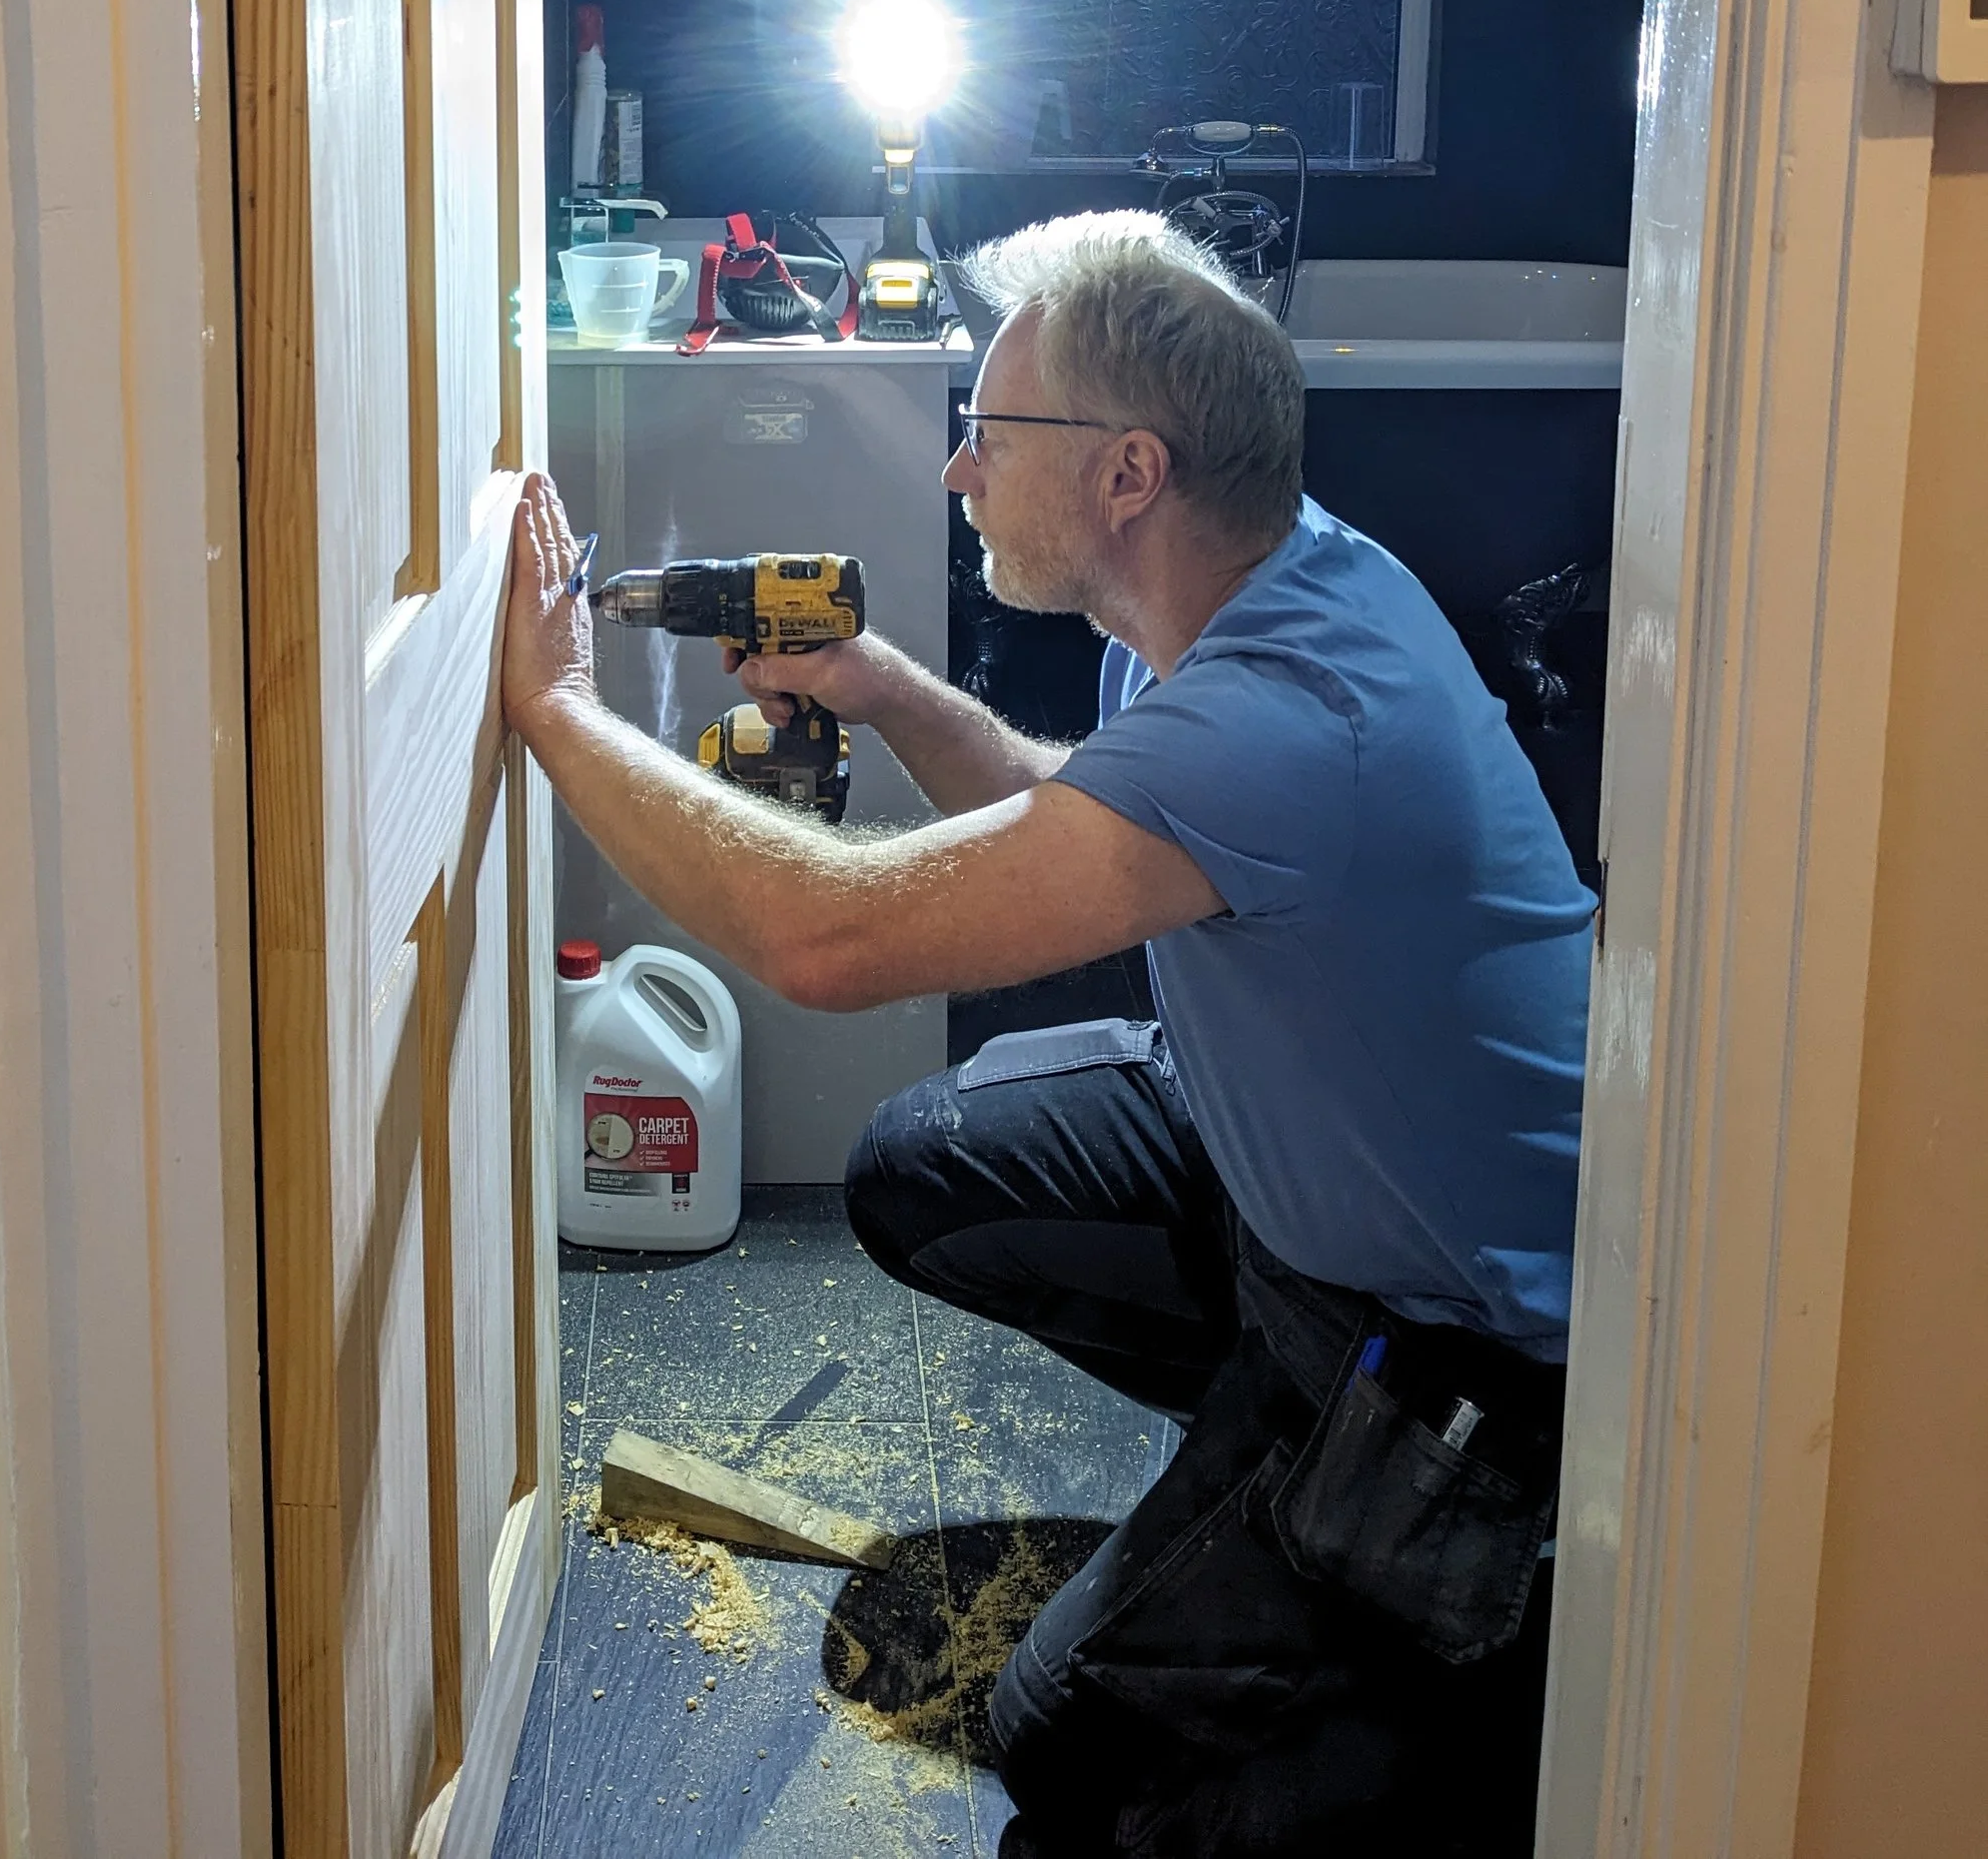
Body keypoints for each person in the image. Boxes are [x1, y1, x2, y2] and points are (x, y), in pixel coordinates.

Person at [501, 210, 1594, 1857]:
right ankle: (1251, 1460)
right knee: (927, 1166)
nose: (956, 474)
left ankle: (1447, 1615)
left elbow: (830, 939)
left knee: (1062, 1744)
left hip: (1463, 1348)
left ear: (1127, 473)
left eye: (988, 434)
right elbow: (1073, 809)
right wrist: (880, 689)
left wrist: (555, 711)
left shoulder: (1293, 716)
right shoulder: (1260, 588)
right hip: (1281, 1164)